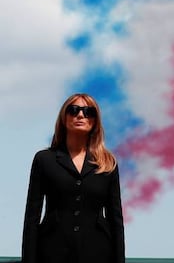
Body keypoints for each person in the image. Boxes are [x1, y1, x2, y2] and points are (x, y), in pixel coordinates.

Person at [22, 93, 125, 263]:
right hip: (51, 252)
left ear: (95, 121)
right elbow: (31, 218)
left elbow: (116, 220)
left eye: (88, 111)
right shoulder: (44, 159)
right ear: (64, 117)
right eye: (73, 110)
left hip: (98, 253)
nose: (80, 115)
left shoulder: (107, 163)